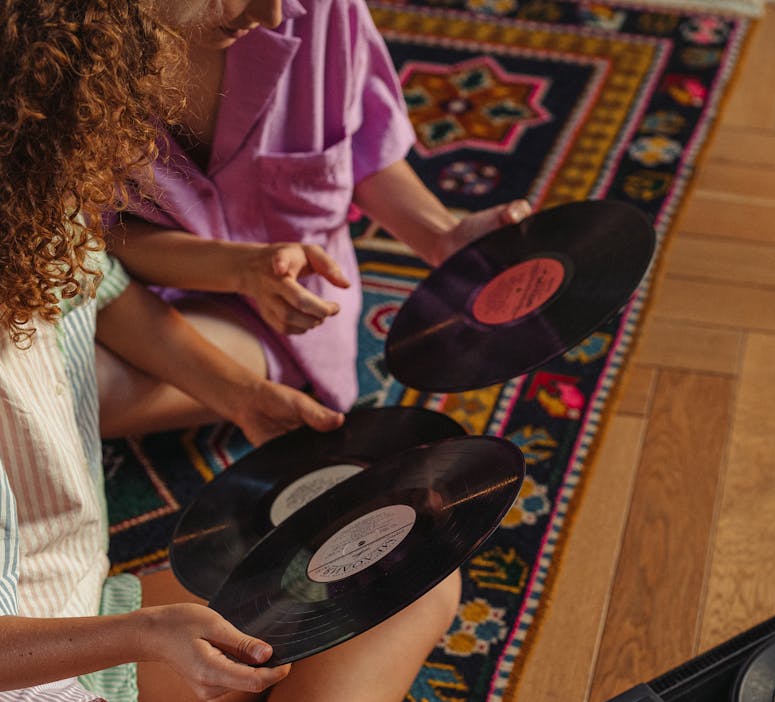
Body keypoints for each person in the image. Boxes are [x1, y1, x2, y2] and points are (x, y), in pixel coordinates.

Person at [0, 2, 443, 702]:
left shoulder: (31, 208)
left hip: (75, 611)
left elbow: (102, 287)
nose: (137, 153)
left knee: (405, 552)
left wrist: (244, 396)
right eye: (120, 119)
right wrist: (144, 631)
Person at [103, 0, 532, 436]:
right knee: (47, 388)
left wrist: (443, 236)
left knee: (90, 391)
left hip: (288, 308)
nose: (274, 14)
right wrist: (240, 271)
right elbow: (90, 250)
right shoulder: (53, 63)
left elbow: (355, 146)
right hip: (118, 296)